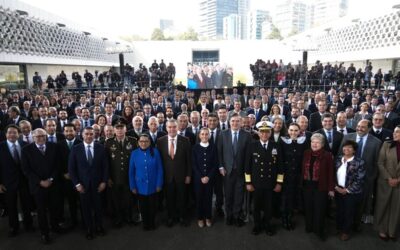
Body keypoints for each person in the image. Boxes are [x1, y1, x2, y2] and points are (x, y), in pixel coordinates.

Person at [21, 128, 63, 244]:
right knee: (41, 211)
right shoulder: (26, 150)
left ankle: (55, 226)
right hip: (37, 186)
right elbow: (26, 170)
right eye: (38, 136)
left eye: (43, 136)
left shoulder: (54, 147)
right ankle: (45, 233)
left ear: (46, 136)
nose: (41, 138)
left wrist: (51, 179)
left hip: (53, 184)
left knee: (54, 207)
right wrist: (40, 182)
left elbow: (58, 165)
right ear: (33, 137)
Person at [68, 127, 109, 240]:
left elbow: (105, 167)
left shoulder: (101, 148)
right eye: (87, 134)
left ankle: (99, 226)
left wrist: (104, 182)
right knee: (85, 208)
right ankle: (89, 229)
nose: (89, 136)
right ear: (82, 135)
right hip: (83, 185)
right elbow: (72, 169)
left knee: (98, 207)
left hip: (98, 185)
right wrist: (77, 184)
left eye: (91, 134)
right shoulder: (76, 149)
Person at [245, 121, 283, 236]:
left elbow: (280, 166)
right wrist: (248, 182)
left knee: (268, 206)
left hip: (270, 183)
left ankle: (268, 225)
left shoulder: (276, 146)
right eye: (262, 132)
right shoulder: (252, 146)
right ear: (259, 133)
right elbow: (247, 166)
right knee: (256, 206)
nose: (264, 134)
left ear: (270, 133)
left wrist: (279, 183)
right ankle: (257, 225)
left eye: (267, 132)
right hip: (256, 183)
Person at [218, 114, 252, 227]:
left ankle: (237, 216)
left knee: (239, 195)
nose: (235, 123)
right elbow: (219, 152)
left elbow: (248, 155)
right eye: (233, 121)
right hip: (227, 171)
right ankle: (229, 216)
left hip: (241, 171)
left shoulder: (247, 135)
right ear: (229, 122)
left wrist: (247, 172)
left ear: (241, 122)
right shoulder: (223, 134)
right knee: (228, 195)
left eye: (237, 121)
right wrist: (221, 167)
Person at [157, 119, 192, 227]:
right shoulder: (160, 141)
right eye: (170, 127)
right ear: (166, 128)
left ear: (178, 128)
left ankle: (182, 217)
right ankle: (170, 217)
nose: (172, 129)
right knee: (169, 199)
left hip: (181, 176)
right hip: (167, 177)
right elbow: (159, 161)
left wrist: (188, 175)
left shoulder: (185, 140)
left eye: (174, 127)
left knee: (182, 198)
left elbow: (189, 160)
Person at [0, 125, 33, 237]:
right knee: (11, 205)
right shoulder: (1, 147)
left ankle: (29, 225)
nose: (12, 135)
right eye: (9, 132)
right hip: (7, 182)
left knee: (26, 204)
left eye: (14, 133)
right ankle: (13, 227)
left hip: (24, 180)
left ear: (19, 134)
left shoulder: (25, 145)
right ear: (6, 134)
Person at [301, 133, 334, 241]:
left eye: (317, 142)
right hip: (307, 186)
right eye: (313, 142)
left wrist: (331, 189)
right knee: (308, 207)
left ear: (322, 144)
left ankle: (318, 230)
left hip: (321, 186)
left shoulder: (328, 155)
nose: (314, 144)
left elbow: (331, 173)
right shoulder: (306, 153)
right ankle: (309, 227)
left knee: (319, 209)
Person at [105, 123, 137, 227]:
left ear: (125, 129)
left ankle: (128, 217)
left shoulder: (133, 141)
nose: (119, 131)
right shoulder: (108, 143)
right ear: (114, 130)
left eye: (121, 128)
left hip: (129, 176)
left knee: (128, 198)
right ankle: (118, 218)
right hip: (115, 177)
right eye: (117, 129)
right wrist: (108, 177)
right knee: (116, 198)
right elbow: (106, 162)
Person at [129, 134, 163, 231]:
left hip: (153, 185)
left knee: (153, 206)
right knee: (143, 207)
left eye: (146, 141)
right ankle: (145, 224)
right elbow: (131, 172)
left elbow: (160, 169)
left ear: (149, 142)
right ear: (138, 142)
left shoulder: (155, 152)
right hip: (140, 186)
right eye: (141, 141)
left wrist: (159, 184)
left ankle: (152, 223)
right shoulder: (134, 153)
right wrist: (132, 186)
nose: (143, 143)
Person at [335, 140, 365, 241]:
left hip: (351, 192)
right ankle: (339, 227)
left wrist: (347, 190)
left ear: (354, 150)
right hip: (338, 189)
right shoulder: (338, 159)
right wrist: (336, 187)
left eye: (350, 148)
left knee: (349, 212)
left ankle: (346, 231)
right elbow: (332, 174)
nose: (346, 149)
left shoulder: (359, 162)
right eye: (345, 147)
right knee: (339, 210)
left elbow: (359, 180)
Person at [375, 125, 400, 241]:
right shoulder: (387, 144)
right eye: (394, 132)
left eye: (398, 132)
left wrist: (398, 180)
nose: (394, 134)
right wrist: (389, 178)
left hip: (399, 183)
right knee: (383, 205)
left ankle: (392, 231)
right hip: (385, 181)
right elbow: (380, 163)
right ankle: (382, 229)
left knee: (396, 207)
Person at [280, 123, 307, 230]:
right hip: (286, 175)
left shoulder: (304, 142)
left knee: (293, 198)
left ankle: (289, 217)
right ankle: (284, 219)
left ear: (300, 131)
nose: (293, 133)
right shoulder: (282, 142)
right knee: (285, 198)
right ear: (288, 131)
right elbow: (280, 160)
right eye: (291, 130)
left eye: (296, 130)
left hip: (297, 176)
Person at [57, 123, 82, 228]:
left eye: (71, 131)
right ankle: (74, 221)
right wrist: (63, 174)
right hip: (66, 179)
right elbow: (56, 163)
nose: (69, 133)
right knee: (71, 202)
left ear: (75, 131)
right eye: (66, 131)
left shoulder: (81, 143)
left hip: (80, 178)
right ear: (63, 132)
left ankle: (85, 220)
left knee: (82, 201)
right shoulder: (59, 145)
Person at [192, 128, 218, 228]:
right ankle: (199, 218)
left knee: (208, 198)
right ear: (199, 136)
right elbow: (194, 165)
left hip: (209, 179)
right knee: (199, 199)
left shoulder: (213, 147)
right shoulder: (195, 148)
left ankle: (208, 217)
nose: (204, 136)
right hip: (198, 179)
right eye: (202, 134)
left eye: (206, 134)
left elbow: (215, 164)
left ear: (209, 136)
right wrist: (201, 177)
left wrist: (208, 176)